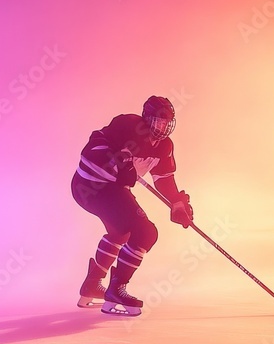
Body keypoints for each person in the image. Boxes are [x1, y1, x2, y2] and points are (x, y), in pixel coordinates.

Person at [71, 96, 193, 316]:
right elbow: (93, 147)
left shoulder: (165, 146)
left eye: (167, 122)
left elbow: (163, 178)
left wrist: (176, 202)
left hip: (112, 191)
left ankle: (92, 285)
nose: (163, 127)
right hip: (91, 187)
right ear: (147, 118)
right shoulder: (128, 125)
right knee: (145, 232)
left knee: (122, 232)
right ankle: (116, 289)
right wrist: (118, 163)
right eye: (159, 121)